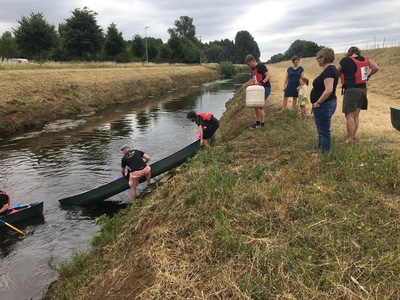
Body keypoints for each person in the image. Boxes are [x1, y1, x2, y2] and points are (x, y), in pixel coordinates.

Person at [337, 46, 380, 143]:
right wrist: (369, 75)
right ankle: (353, 136)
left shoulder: (345, 60)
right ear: (358, 52)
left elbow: (336, 71)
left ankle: (349, 138)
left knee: (349, 115)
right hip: (363, 89)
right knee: (356, 115)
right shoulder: (366, 59)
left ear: (349, 53)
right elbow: (376, 67)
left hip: (351, 90)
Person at [311, 48, 339, 153]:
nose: (317, 60)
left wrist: (318, 102)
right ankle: (321, 150)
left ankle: (323, 153)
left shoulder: (329, 71)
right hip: (326, 104)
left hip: (324, 105)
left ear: (323, 58)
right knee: (322, 130)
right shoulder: (330, 70)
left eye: (317, 58)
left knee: (323, 132)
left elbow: (328, 90)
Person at [244, 54, 272, 129]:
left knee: (259, 106)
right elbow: (254, 80)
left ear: (252, 61)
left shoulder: (261, 66)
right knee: (256, 105)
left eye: (248, 64)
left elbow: (268, 75)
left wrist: (262, 83)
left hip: (265, 88)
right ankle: (258, 122)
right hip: (257, 90)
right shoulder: (252, 70)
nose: (248, 65)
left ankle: (261, 124)